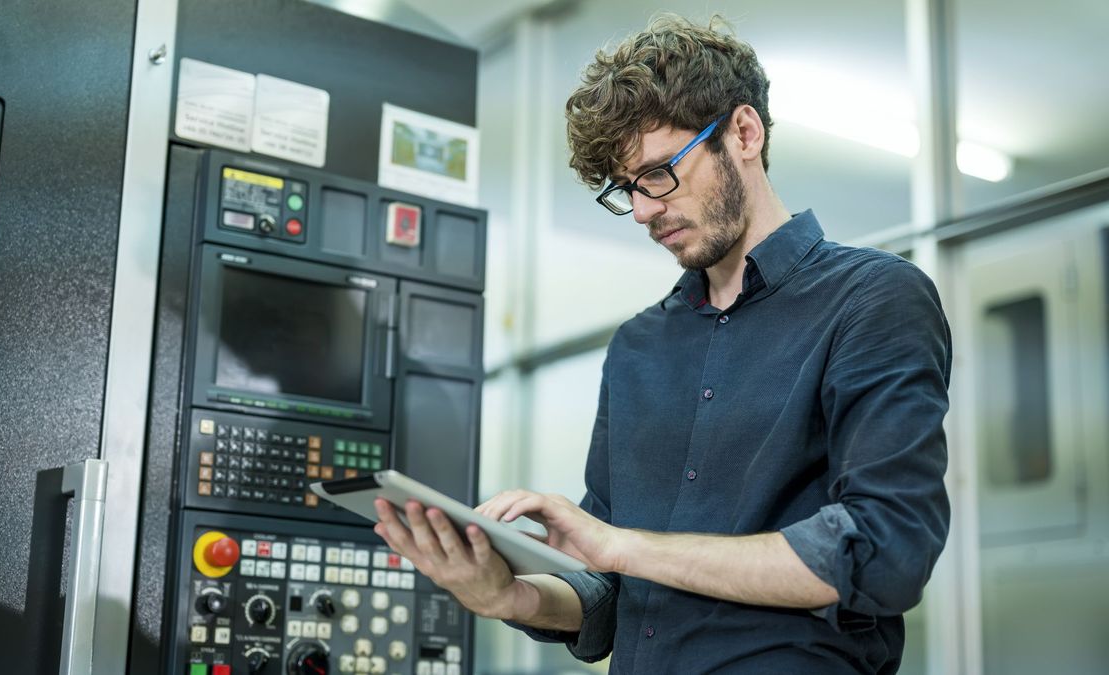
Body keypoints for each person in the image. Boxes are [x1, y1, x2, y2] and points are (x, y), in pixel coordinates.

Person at [373, 13, 951, 673]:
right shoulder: (638, 348)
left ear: (743, 132)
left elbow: (883, 550)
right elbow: (607, 592)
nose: (644, 209)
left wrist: (623, 546)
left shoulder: (873, 298)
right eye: (626, 189)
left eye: (658, 173)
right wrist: (510, 594)